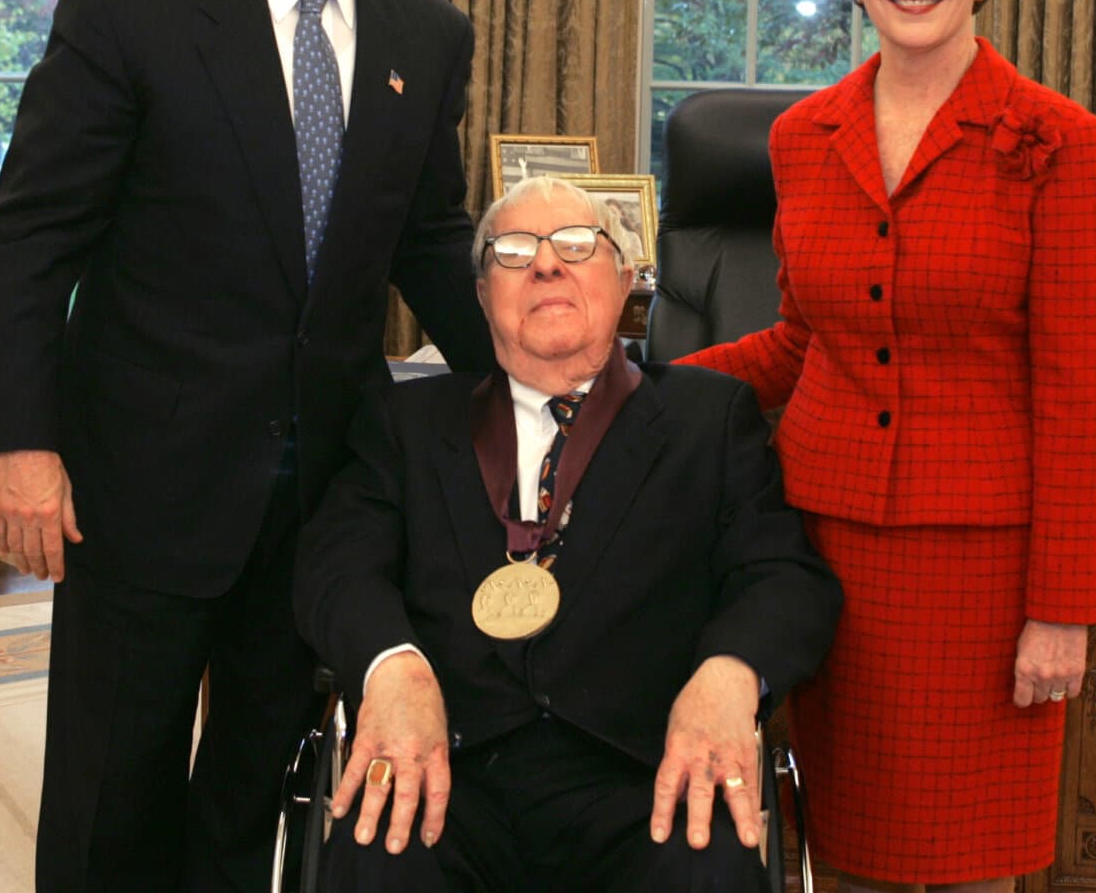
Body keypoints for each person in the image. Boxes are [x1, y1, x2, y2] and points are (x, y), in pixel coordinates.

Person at [0, 0, 494, 893]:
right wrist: (23, 441)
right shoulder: (128, 11)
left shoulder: (426, 34)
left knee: (253, 790)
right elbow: (27, 238)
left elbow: (427, 239)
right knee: (116, 789)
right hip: (142, 484)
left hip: (323, 496)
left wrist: (536, 378)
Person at [677, 0, 1096, 891]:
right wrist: (633, 388)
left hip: (985, 571)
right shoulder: (804, 137)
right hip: (827, 554)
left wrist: (1061, 602)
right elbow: (800, 339)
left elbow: (1075, 388)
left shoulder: (1057, 140)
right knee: (841, 852)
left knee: (968, 864)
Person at [294, 175, 842, 893]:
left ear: (623, 283)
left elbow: (782, 574)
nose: (546, 264)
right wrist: (391, 665)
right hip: (449, 770)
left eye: (577, 246)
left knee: (710, 861)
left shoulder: (708, 420)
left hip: (646, 774)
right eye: (515, 252)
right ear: (483, 295)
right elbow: (337, 564)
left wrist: (731, 671)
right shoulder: (408, 424)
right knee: (373, 855)